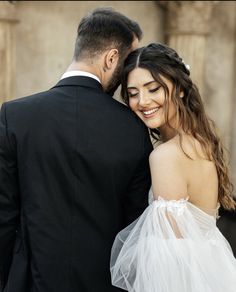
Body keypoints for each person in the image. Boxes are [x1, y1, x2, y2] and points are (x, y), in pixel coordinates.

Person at [0, 8, 153, 292]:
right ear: (111, 58)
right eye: (127, 62)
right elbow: (136, 226)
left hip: (30, 283)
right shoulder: (133, 128)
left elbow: (4, 214)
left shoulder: (15, 116)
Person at [110, 43, 236, 292]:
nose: (142, 101)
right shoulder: (199, 138)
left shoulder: (166, 155)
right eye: (133, 93)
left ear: (179, 88)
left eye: (153, 88)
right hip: (211, 271)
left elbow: (168, 256)